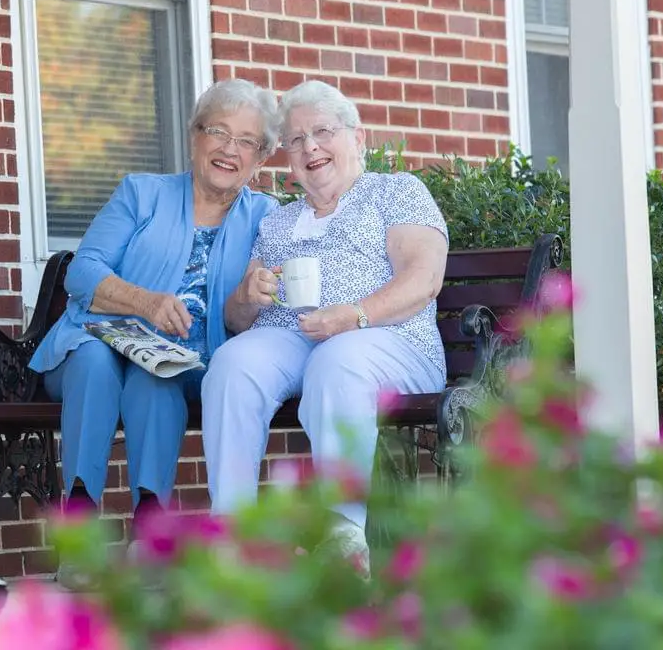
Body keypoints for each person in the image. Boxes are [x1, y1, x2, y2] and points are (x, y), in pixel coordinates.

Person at [201, 80, 449, 576]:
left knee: (341, 359)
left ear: (357, 139)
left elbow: (424, 279)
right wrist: (246, 299)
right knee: (232, 364)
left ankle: (343, 539)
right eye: (295, 139)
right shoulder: (277, 221)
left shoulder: (396, 192)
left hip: (390, 340)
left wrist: (353, 315)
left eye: (322, 132)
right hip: (296, 337)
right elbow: (234, 321)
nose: (309, 146)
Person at [29, 79, 279, 541]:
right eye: (219, 132)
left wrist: (248, 297)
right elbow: (82, 272)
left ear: (261, 159)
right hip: (95, 343)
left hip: (184, 363)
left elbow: (249, 312)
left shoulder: (266, 218)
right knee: (94, 362)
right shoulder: (141, 194)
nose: (230, 149)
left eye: (247, 141)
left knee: (156, 376)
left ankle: (150, 527)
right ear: (194, 136)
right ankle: (79, 528)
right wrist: (146, 302)